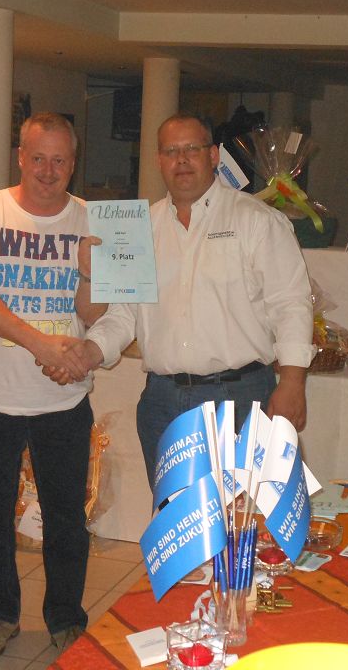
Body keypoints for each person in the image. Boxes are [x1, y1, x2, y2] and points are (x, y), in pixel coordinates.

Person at [50, 112, 315, 487]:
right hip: (163, 401)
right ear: (158, 160)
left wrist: (292, 383)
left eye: (192, 148)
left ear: (213, 155)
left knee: (244, 515)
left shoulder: (256, 220)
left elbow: (291, 303)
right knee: (174, 516)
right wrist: (88, 352)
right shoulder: (141, 229)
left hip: (241, 398)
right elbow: (124, 315)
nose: (182, 159)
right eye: (171, 151)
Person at [0, 112, 100, 659]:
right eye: (38, 158)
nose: (48, 170)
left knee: (67, 519)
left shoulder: (91, 220)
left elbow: (95, 313)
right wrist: (42, 345)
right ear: (20, 156)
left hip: (64, 396)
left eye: (59, 160)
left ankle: (66, 618)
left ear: (73, 163)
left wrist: (88, 271)